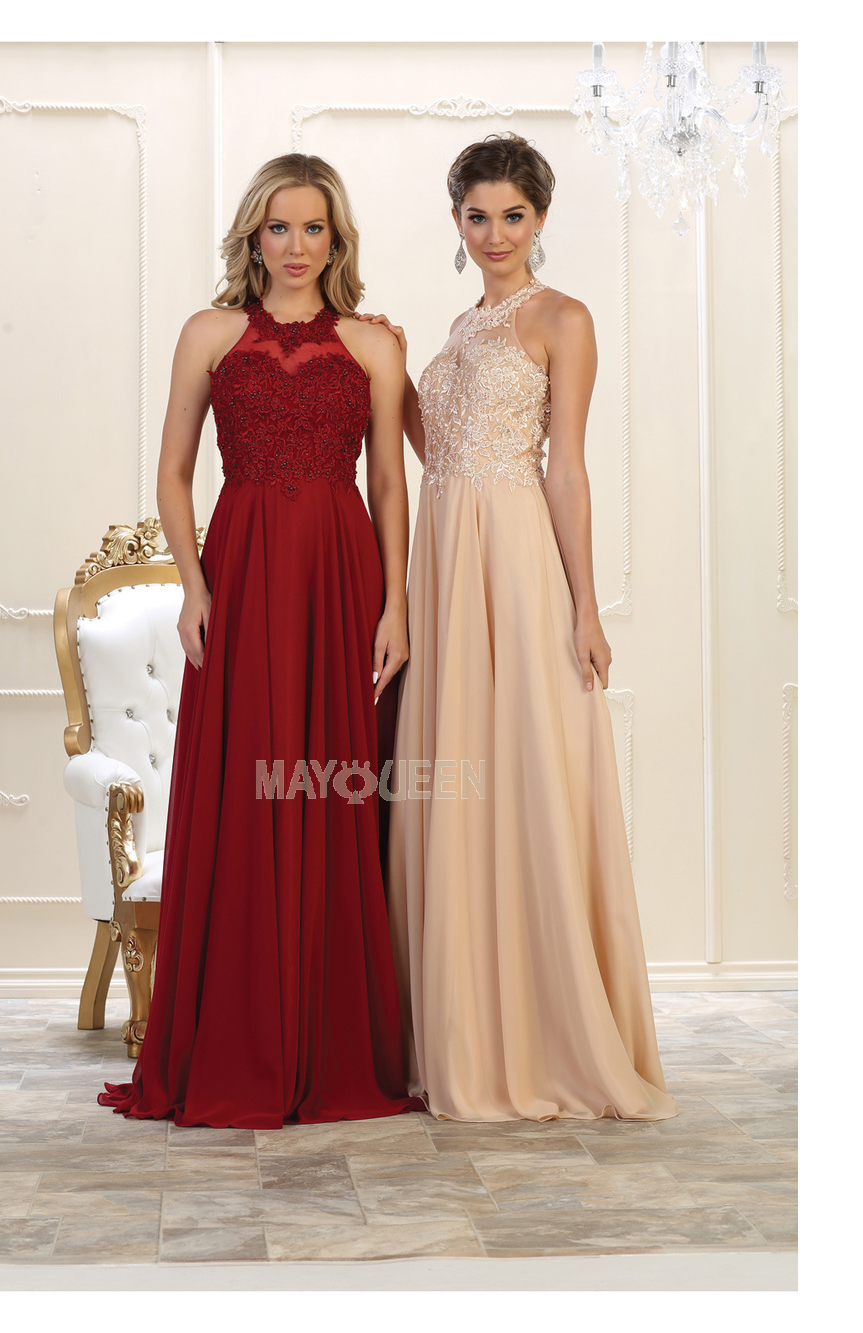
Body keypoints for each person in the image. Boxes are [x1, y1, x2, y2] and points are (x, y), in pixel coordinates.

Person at [99, 153, 424, 1129]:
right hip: (239, 573)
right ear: (253, 234)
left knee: (330, 786)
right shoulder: (209, 332)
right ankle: (239, 1037)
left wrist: (397, 605)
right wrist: (192, 584)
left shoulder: (374, 343)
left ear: (337, 239)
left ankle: (327, 1041)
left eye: (313, 228)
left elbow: (390, 483)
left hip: (341, 572)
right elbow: (172, 472)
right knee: (245, 786)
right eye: (278, 227)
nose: (295, 246)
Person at [363, 134, 677, 1122]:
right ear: (455, 219)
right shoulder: (460, 326)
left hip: (514, 557)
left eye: (513, 216)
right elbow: (437, 449)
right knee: (455, 773)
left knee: (527, 767)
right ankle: (459, 1027)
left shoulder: (563, 318)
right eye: (477, 216)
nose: (494, 234)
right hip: (444, 556)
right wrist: (395, 370)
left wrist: (584, 603)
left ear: (540, 218)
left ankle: (544, 1032)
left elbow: (566, 468)